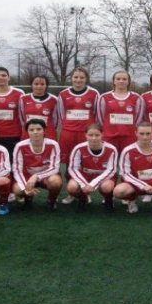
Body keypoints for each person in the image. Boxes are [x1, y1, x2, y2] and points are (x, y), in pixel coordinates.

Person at [57, 68, 100, 204]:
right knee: (70, 164)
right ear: (71, 78)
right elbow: (60, 114)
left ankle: (85, 192)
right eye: (76, 77)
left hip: (86, 134)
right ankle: (72, 193)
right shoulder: (63, 94)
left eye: (81, 77)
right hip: (68, 134)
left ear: (86, 79)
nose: (78, 80)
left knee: (85, 162)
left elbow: (97, 113)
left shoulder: (94, 93)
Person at [12, 119, 63, 211]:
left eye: (39, 129)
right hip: (28, 176)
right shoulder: (20, 146)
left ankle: (51, 200)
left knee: (56, 182)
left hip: (47, 177)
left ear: (44, 131)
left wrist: (36, 176)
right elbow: (17, 170)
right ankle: (28, 198)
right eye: (31, 130)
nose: (35, 132)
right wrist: (24, 187)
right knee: (17, 189)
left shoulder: (53, 144)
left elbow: (55, 168)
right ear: (27, 132)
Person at [66, 124, 118, 212]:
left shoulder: (111, 149)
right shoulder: (79, 148)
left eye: (97, 135)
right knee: (71, 187)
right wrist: (83, 184)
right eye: (90, 135)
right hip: (85, 175)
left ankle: (108, 199)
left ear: (102, 134)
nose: (94, 138)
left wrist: (93, 184)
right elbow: (73, 168)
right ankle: (83, 199)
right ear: (85, 135)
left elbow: (111, 170)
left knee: (107, 187)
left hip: (104, 176)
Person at [96, 70, 143, 153]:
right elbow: (101, 118)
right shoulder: (104, 97)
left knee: (128, 163)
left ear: (128, 82)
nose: (121, 81)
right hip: (109, 137)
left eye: (124, 79)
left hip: (129, 137)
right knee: (109, 163)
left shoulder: (136, 98)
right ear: (113, 81)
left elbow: (138, 119)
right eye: (118, 79)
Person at [18, 75, 59, 141]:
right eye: (36, 84)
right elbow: (22, 118)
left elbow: (55, 120)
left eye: (42, 84)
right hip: (28, 133)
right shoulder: (23, 98)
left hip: (48, 134)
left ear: (46, 85)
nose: (39, 86)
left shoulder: (54, 100)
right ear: (31, 85)